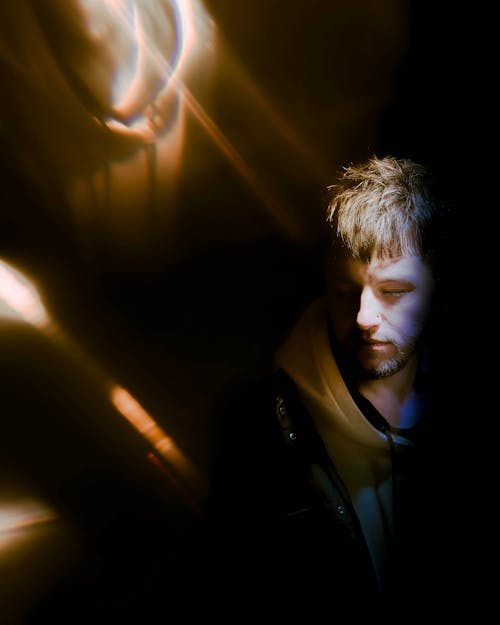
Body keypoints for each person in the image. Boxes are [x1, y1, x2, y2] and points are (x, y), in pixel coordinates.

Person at [200, 155, 455, 619]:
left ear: (438, 285)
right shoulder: (257, 426)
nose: (363, 317)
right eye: (345, 290)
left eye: (394, 291)